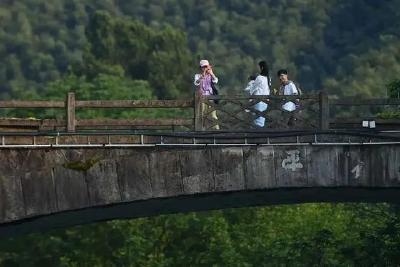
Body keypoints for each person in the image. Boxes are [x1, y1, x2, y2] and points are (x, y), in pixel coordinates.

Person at [194, 59, 220, 130]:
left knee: (213, 115)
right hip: (202, 97)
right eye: (203, 67)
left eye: (206, 66)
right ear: (200, 68)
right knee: (201, 114)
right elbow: (196, 83)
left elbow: (216, 81)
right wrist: (202, 75)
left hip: (210, 97)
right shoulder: (198, 75)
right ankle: (200, 129)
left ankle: (216, 129)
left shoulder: (210, 75)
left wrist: (211, 73)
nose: (205, 68)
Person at [245, 61, 271, 127]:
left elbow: (253, 89)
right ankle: (261, 134)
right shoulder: (268, 78)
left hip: (258, 101)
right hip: (265, 101)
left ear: (261, 68)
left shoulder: (259, 77)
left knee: (256, 119)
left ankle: (256, 134)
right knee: (262, 119)